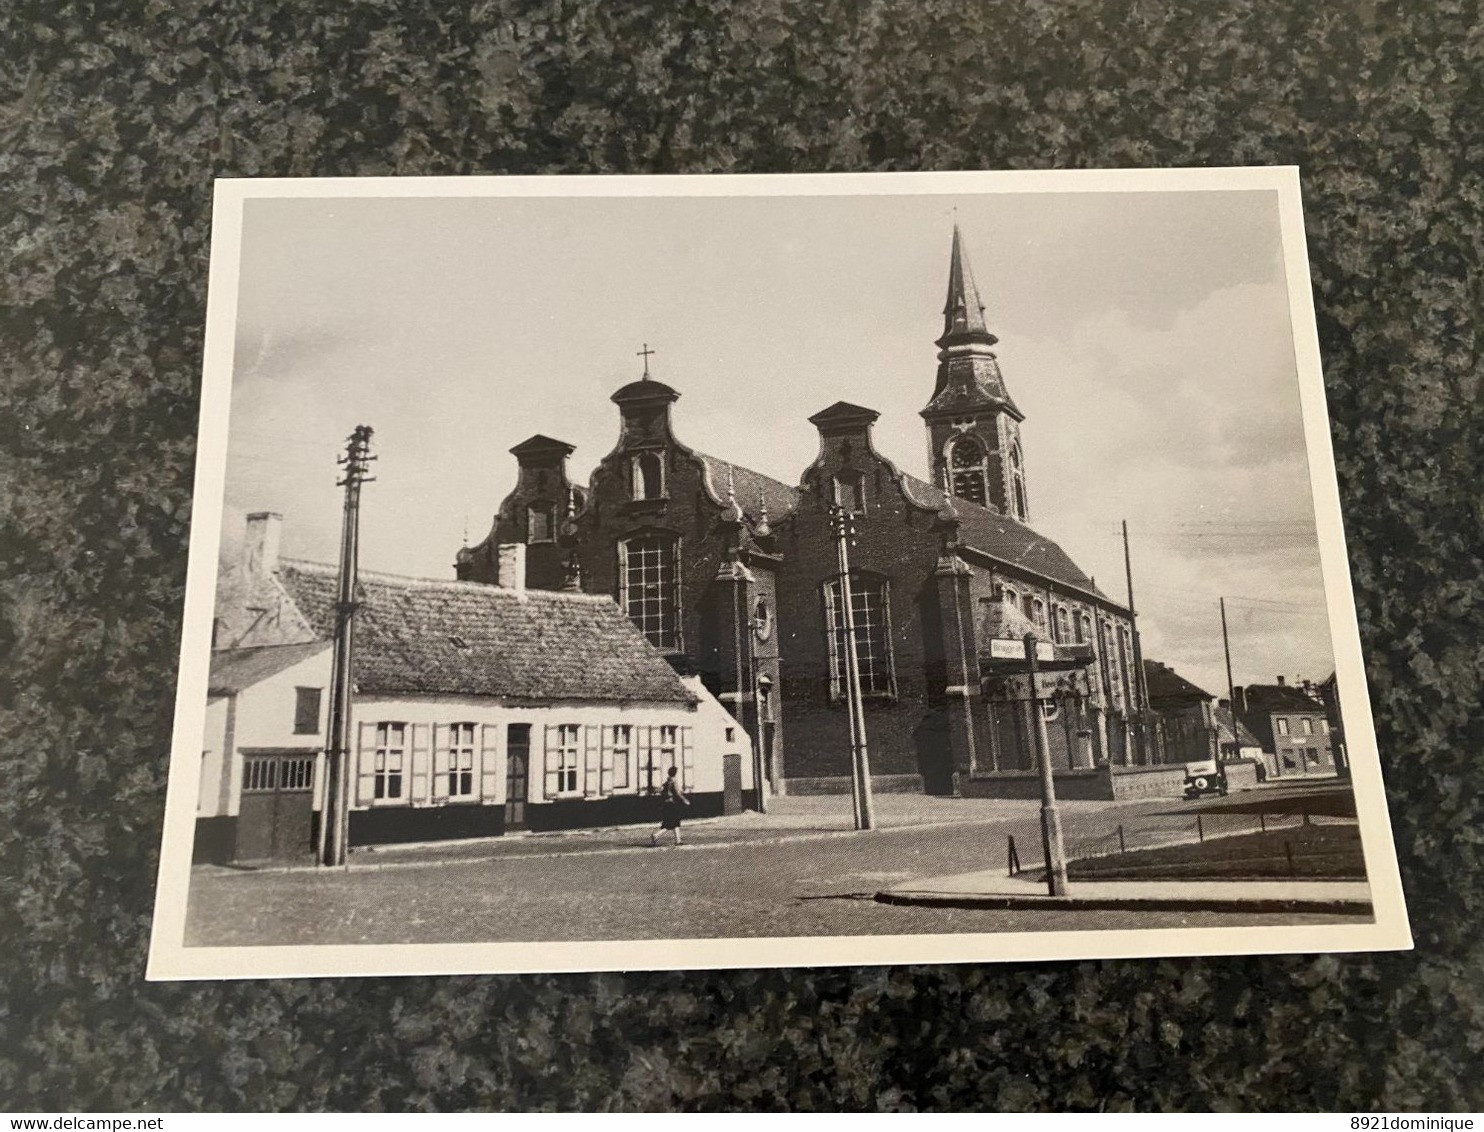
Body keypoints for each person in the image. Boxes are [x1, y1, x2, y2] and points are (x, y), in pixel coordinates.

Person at [650, 766, 690, 847]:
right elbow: (677, 793)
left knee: (674, 822)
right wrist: (685, 800)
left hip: (666, 804)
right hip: (672, 804)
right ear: (675, 773)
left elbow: (663, 791)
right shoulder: (674, 781)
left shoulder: (667, 782)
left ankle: (678, 840)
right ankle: (656, 835)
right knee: (671, 823)